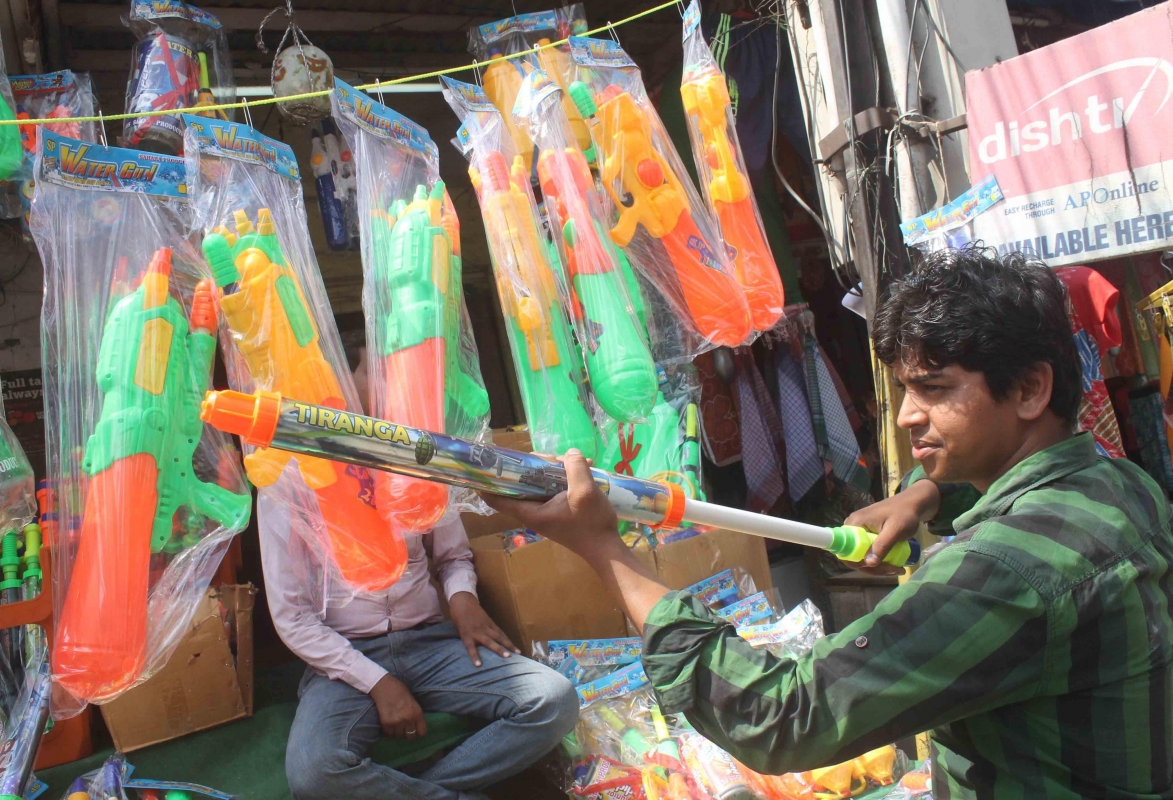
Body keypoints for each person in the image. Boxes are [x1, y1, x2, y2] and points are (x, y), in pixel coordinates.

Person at [486, 248, 1173, 799]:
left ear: (1029, 389)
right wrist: (926, 495)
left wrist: (604, 550)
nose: (907, 416)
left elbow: (781, 717)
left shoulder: (1004, 571)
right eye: (905, 389)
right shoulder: (1121, 484)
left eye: (933, 389)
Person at [266, 346, 579, 800]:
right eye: (370, 373)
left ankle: (417, 790)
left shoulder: (413, 455)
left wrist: (462, 600)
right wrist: (377, 682)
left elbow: (452, 558)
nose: (384, 388)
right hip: (342, 661)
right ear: (334, 384)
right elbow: (292, 617)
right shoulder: (288, 479)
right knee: (313, 773)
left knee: (553, 700)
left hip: (430, 643)